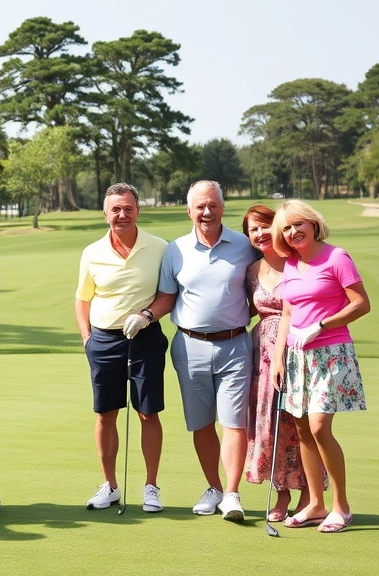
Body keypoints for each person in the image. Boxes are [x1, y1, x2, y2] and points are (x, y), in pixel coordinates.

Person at [146, 180, 257, 522]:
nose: (207, 212)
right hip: (189, 345)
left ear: (223, 207)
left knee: (234, 423)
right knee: (201, 424)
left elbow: (261, 289)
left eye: (213, 205)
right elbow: (167, 297)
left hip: (236, 344)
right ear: (188, 210)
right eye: (200, 206)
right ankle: (214, 488)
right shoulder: (175, 250)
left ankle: (233, 494)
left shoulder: (245, 246)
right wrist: (146, 315)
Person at [270, 200, 369, 534]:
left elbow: (361, 304)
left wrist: (323, 325)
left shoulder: (336, 257)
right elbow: (287, 314)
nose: (293, 232)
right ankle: (315, 504)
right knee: (301, 430)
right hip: (297, 357)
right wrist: (279, 357)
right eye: (286, 228)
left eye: (299, 224)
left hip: (332, 352)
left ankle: (341, 506)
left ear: (313, 224)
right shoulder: (291, 264)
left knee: (318, 426)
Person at [74, 183, 169, 513]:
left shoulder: (159, 247)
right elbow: (82, 298)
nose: (122, 215)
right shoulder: (92, 252)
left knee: (148, 412)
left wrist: (146, 315)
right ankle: (110, 485)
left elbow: (168, 295)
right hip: (104, 340)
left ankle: (151, 487)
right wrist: (88, 339)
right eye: (115, 209)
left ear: (138, 211)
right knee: (105, 415)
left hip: (146, 337)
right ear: (105, 214)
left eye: (128, 208)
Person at [241, 205, 312, 522]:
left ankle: (311, 491)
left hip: (298, 348)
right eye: (252, 229)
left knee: (301, 423)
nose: (259, 234)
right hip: (261, 353)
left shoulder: (298, 264)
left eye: (264, 226)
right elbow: (249, 311)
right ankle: (282, 492)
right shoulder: (251, 271)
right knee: (269, 423)